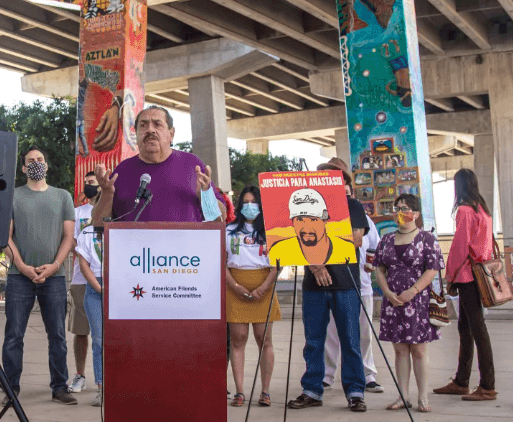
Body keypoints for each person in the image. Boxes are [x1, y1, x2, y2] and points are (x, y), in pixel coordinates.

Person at [287, 157, 368, 412]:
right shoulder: (305, 204)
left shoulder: (353, 205)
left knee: (350, 340)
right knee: (313, 340)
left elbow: (354, 239)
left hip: (345, 283)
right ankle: (311, 389)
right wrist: (316, 265)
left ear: (343, 181)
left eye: (334, 175)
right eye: (323, 175)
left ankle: (355, 391)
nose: (328, 179)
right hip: (313, 285)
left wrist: (319, 256)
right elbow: (292, 237)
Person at [3, 146, 78, 405]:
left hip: (54, 277)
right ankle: (10, 389)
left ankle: (60, 387)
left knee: (57, 334)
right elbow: (6, 237)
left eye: (40, 160)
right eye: (30, 161)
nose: (36, 163)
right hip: (18, 276)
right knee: (13, 335)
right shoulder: (12, 196)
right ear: (23, 168)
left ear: (46, 165)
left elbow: (69, 237)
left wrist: (55, 265)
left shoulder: (62, 196)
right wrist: (22, 266)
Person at [374, 193, 445, 413]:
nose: (399, 212)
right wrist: (386, 291)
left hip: (418, 301)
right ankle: (402, 396)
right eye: (397, 208)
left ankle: (423, 397)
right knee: (399, 351)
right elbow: (379, 267)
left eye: (404, 208)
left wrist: (412, 291)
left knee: (419, 350)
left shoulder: (427, 239)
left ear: (416, 214)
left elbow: (433, 269)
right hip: (393, 302)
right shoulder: (386, 239)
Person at [92, 106, 215, 226]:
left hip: (184, 245)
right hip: (135, 246)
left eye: (157, 124)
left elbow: (219, 220)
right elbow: (98, 223)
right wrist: (107, 193)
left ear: (171, 134)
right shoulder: (122, 171)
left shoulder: (192, 166)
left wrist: (205, 195)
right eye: (143, 125)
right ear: (136, 134)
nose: (150, 130)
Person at [320, 162, 383, 395]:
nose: (342, 191)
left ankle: (368, 376)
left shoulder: (365, 219)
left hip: (361, 286)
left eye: (345, 186)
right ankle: (327, 375)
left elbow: (374, 247)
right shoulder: (321, 217)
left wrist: (370, 263)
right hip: (330, 284)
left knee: (363, 334)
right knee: (332, 333)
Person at [435, 168, 497, 401]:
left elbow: (460, 247)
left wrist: (449, 275)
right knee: (466, 327)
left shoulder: (464, 210)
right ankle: (462, 380)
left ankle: (487, 386)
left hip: (467, 276)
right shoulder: (483, 210)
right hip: (480, 274)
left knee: (477, 329)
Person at [225, 186, 280, 408]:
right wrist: (236, 286)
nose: (249, 206)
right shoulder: (229, 231)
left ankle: (265, 391)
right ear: (239, 206)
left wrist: (264, 288)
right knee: (238, 339)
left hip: (263, 287)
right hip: (235, 288)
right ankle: (239, 391)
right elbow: (222, 263)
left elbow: (278, 265)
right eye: (245, 202)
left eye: (254, 202)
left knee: (264, 339)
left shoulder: (271, 231)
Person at [74, 174, 106, 407]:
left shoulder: (120, 229)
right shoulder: (86, 232)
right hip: (94, 289)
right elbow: (83, 262)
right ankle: (102, 388)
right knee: (98, 340)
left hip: (120, 289)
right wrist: (97, 286)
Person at [67, 171, 98, 395]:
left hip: (107, 278)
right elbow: (73, 242)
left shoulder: (112, 212)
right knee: (81, 331)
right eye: (86, 183)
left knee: (103, 335)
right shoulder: (77, 213)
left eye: (92, 183)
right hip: (80, 279)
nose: (88, 186)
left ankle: (103, 380)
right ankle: (80, 375)